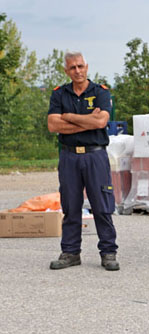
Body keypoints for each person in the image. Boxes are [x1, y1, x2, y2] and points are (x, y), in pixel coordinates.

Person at [47, 51, 119, 271]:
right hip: (68, 156)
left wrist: (68, 116)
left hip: (94, 155)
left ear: (87, 67)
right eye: (72, 68)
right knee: (70, 205)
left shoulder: (100, 92)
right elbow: (52, 125)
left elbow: (101, 121)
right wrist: (87, 121)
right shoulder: (60, 94)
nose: (77, 71)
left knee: (101, 205)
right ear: (66, 70)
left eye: (80, 66)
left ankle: (108, 252)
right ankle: (70, 252)